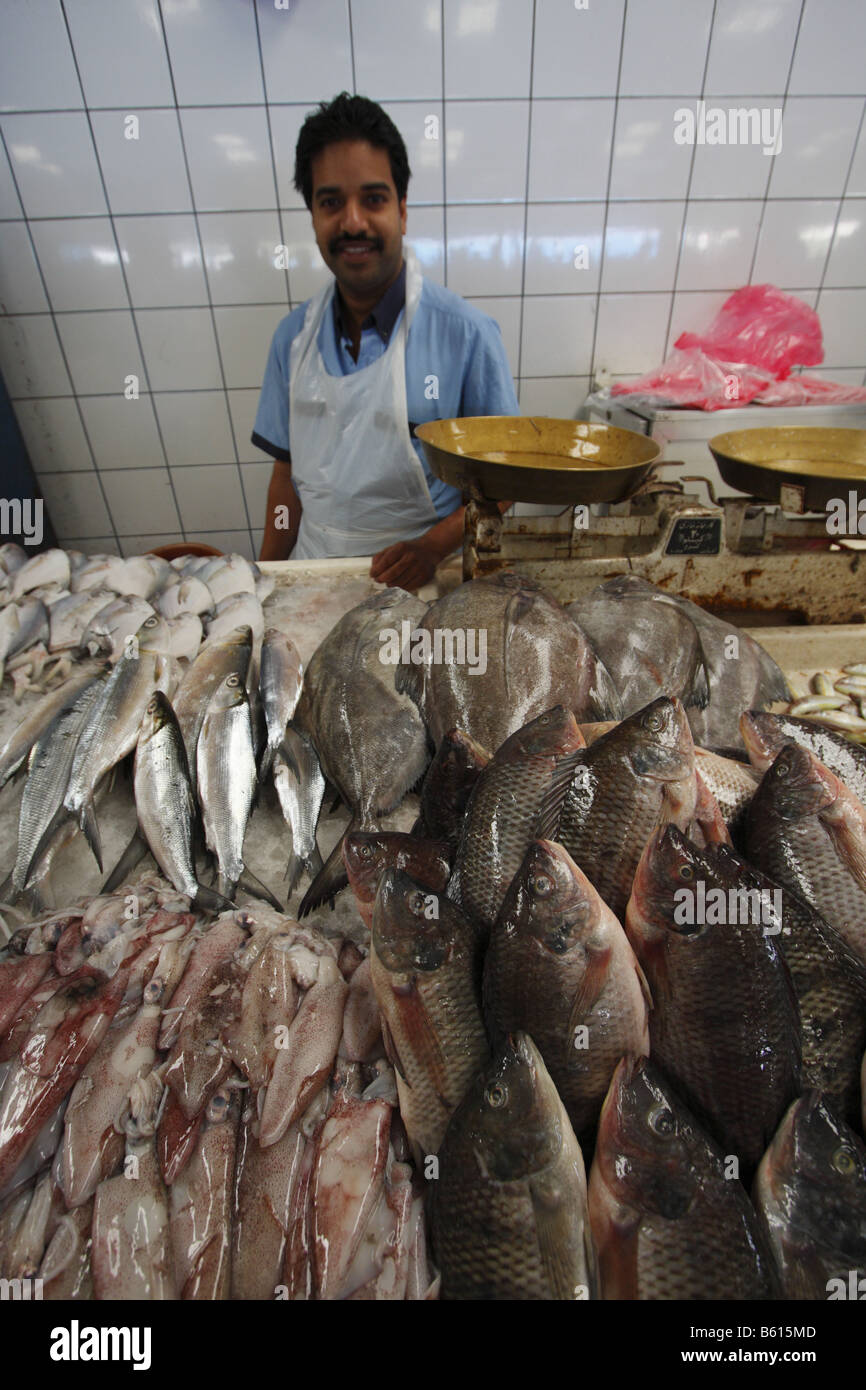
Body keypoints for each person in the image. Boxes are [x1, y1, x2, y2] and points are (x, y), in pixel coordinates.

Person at [253, 92, 518, 590]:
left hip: (423, 585)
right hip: (315, 579)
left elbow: (504, 486)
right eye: (331, 202)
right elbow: (285, 480)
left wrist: (432, 547)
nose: (353, 222)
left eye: (373, 199)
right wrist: (265, 580)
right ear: (313, 215)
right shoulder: (292, 339)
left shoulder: (466, 334)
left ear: (402, 210)